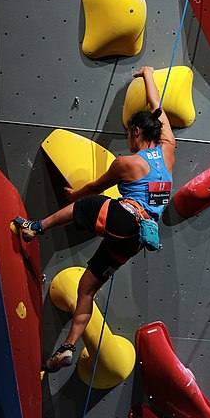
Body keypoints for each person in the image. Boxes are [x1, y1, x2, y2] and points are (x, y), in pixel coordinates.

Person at [13, 66, 175, 372]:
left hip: (125, 220)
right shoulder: (169, 151)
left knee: (83, 206)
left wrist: (75, 196)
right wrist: (149, 75)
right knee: (86, 289)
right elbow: (159, 108)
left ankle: (34, 228)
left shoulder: (127, 163)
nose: (128, 138)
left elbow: (95, 187)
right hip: (136, 241)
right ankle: (68, 346)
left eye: (128, 133)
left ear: (136, 132)